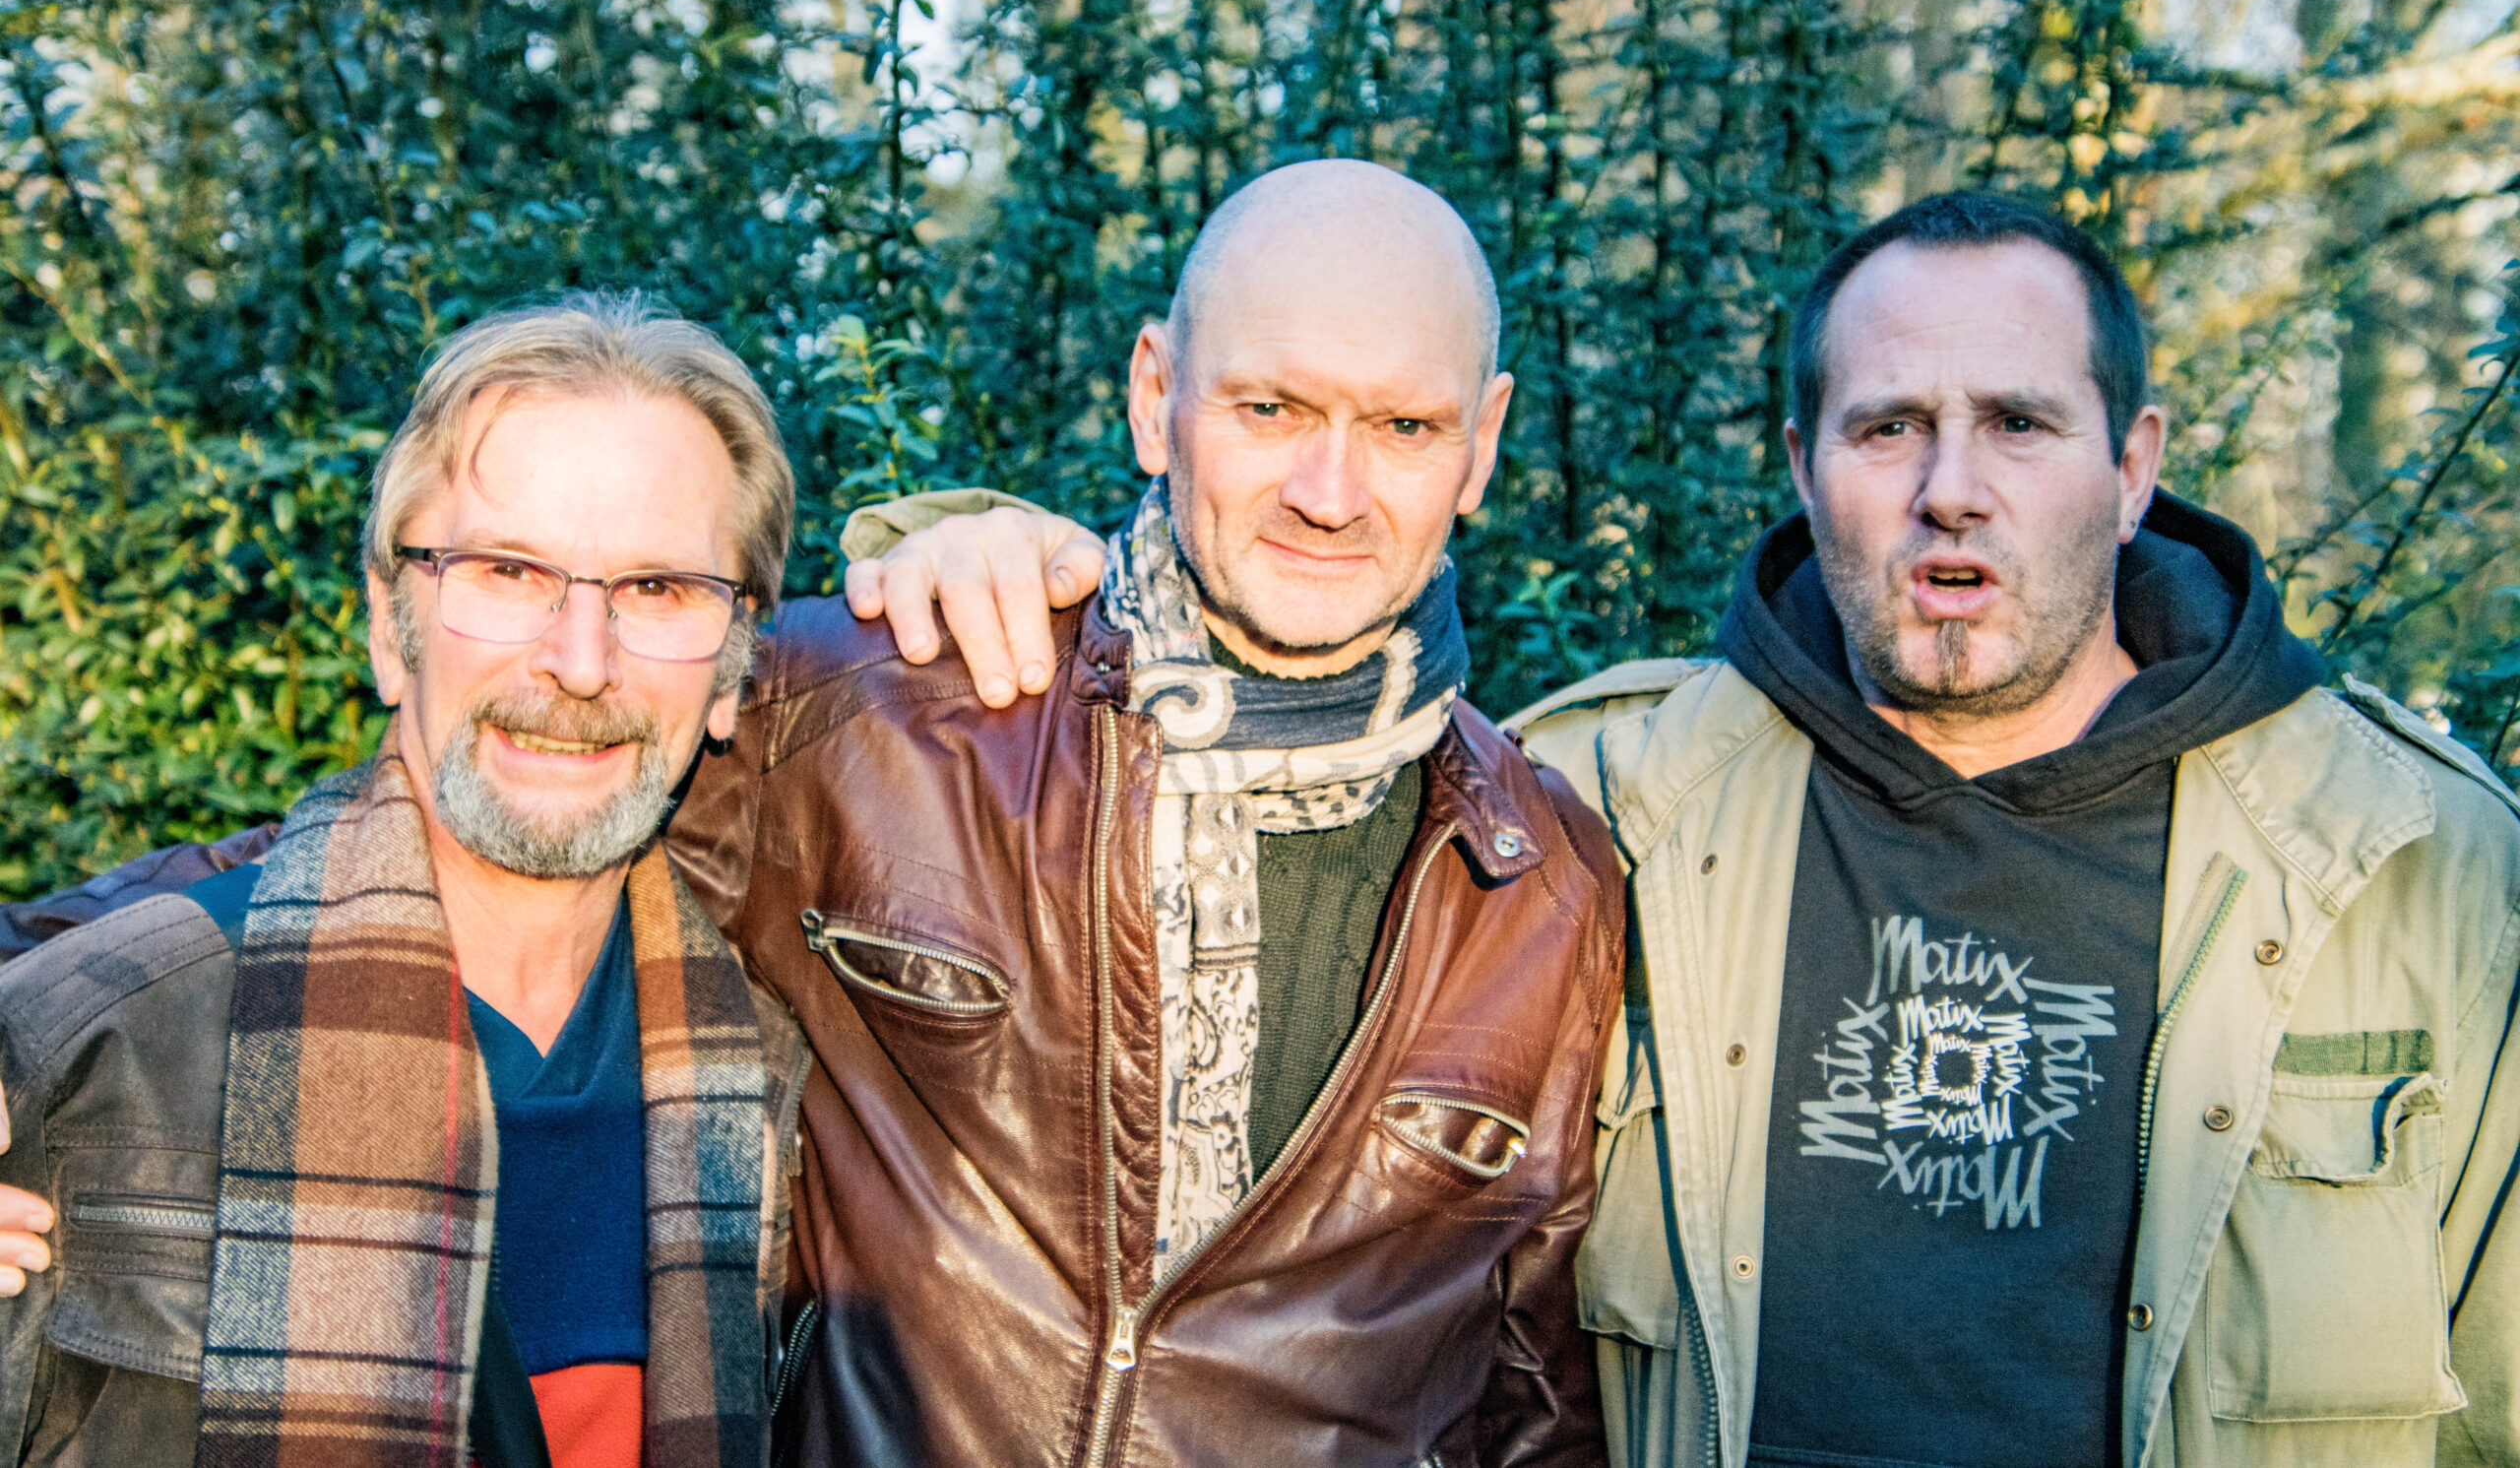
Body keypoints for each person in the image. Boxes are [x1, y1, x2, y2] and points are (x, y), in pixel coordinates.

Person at [842, 190, 2520, 1468]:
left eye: (2019, 422)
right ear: (1801, 461)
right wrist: (980, 569)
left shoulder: (2414, 864)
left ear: (2134, 464)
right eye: (1887, 426)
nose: (1950, 485)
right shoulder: (1592, 804)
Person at [2, 160, 1625, 1466]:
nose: (1331, 489)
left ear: (1481, 444)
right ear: (1156, 395)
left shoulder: (1545, 885)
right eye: (1268, 407)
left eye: (1404, 426)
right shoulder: (896, 706)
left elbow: (1529, 1390)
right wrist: (26, 1017)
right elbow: (446, 807)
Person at [0, 296, 812, 1468]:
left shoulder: (789, 1078)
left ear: (733, 672)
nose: (581, 663)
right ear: (391, 624)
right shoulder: (90, 1057)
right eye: (507, 570)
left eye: (657, 589)